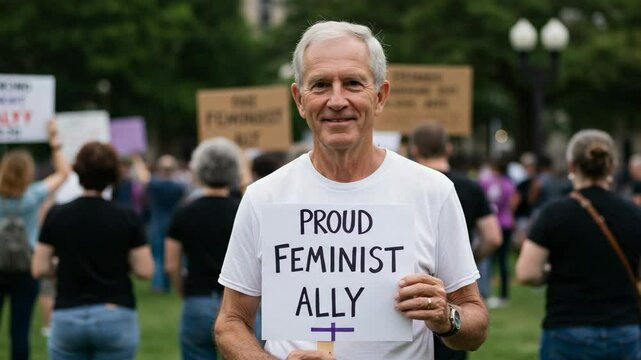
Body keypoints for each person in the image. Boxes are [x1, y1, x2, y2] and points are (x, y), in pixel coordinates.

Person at [214, 21, 488, 360]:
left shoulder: (432, 191)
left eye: (353, 83)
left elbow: (475, 325)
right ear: (300, 100)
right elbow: (230, 322)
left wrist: (446, 317)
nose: (337, 100)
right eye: (321, 85)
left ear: (380, 96)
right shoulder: (264, 197)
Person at [516, 129, 641, 359]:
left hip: (567, 325)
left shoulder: (554, 213)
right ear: (611, 167)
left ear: (571, 166)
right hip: (624, 327)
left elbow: (526, 273)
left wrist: (549, 273)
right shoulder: (634, 213)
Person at [31, 141, 154, 360]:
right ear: (114, 175)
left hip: (68, 312)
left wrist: (60, 265)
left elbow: (39, 268)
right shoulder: (127, 217)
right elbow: (145, 270)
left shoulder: (57, 214)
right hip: (115, 310)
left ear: (77, 172)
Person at [410, 122, 501, 360]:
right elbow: (493, 236)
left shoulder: (409, 187)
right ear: (448, 149)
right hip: (454, 291)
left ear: (415, 151)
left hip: (410, 293)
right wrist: (469, 259)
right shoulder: (470, 186)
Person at [165, 137, 242, 360]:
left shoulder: (184, 212)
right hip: (240, 302)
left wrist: (185, 292)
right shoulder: (245, 211)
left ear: (197, 170)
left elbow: (172, 265)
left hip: (198, 298)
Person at [0, 120, 70, 360]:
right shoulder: (33, 196)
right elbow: (64, 173)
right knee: (20, 330)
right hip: (25, 266)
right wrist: (54, 142)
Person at [133, 153, 186, 293]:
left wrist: (137, 160)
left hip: (157, 222)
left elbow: (143, 178)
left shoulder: (155, 184)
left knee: (157, 255)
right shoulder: (179, 186)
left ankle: (159, 285)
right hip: (174, 222)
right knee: (174, 254)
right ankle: (170, 283)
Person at [478, 155, 516, 306]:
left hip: (490, 224)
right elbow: (513, 203)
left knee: (486, 261)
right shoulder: (508, 184)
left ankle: (485, 292)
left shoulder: (486, 181)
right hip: (505, 223)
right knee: (503, 260)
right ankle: (504, 294)